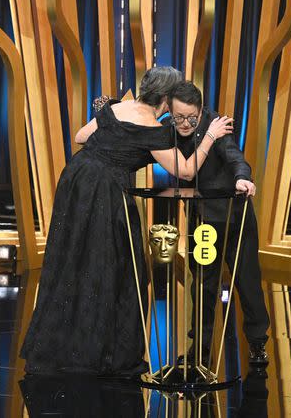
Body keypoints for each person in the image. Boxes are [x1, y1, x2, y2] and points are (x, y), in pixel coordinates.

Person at [20, 67, 234, 376]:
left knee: (72, 263)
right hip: (105, 193)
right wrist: (210, 137)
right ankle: (99, 352)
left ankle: (59, 346)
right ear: (166, 98)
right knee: (116, 268)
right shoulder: (152, 128)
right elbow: (186, 171)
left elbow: (81, 136)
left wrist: (113, 138)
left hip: (75, 181)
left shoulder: (118, 107)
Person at [164, 81, 270, 366]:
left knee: (247, 284)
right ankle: (199, 350)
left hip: (235, 216)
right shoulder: (166, 129)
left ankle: (258, 344)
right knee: (202, 286)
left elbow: (235, 157)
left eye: (191, 118)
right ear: (170, 112)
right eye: (179, 118)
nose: (185, 124)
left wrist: (242, 178)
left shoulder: (216, 125)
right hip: (202, 221)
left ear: (201, 110)